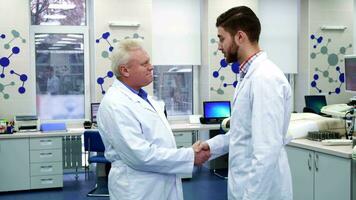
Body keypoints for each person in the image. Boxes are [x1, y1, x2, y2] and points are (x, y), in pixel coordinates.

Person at [97, 39, 210, 200]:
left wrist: (188, 153)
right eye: (144, 63)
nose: (151, 66)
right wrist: (189, 156)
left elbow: (157, 142)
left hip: (159, 183)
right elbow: (140, 156)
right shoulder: (115, 104)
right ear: (125, 70)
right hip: (138, 189)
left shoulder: (145, 98)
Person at [198, 6, 293, 200]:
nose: (218, 46)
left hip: (260, 192)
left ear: (240, 37)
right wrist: (211, 146)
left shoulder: (265, 78)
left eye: (221, 38)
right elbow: (243, 133)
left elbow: (266, 151)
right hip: (245, 185)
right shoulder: (248, 76)